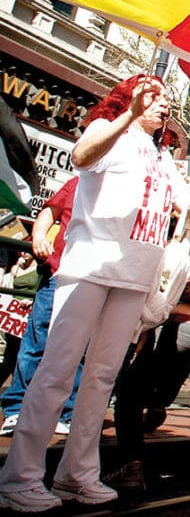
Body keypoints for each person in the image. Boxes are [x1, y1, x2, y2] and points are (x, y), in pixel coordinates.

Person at [0, 75, 190, 513]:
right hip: (91, 267)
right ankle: (20, 476)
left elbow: (189, 206)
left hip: (134, 277)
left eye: (165, 101)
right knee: (57, 371)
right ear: (128, 98)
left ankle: (76, 474)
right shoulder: (110, 133)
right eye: (153, 97)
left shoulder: (162, 159)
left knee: (101, 378)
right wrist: (129, 115)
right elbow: (82, 156)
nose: (162, 106)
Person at [106, 231, 190, 491]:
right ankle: (157, 406)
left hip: (181, 328)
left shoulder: (160, 251)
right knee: (175, 360)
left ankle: (132, 467)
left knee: (129, 396)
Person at [0, 176, 80, 439]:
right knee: (37, 340)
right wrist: (38, 235)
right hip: (59, 273)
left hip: (93, 280)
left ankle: (66, 414)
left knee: (81, 349)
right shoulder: (79, 181)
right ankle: (16, 409)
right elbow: (50, 210)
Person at [0, 253, 38, 389]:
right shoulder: (16, 268)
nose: (24, 253)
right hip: (14, 315)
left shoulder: (39, 268)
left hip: (29, 312)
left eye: (27, 251)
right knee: (10, 354)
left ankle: (20, 390)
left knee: (24, 354)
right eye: (22, 251)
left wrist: (32, 300)